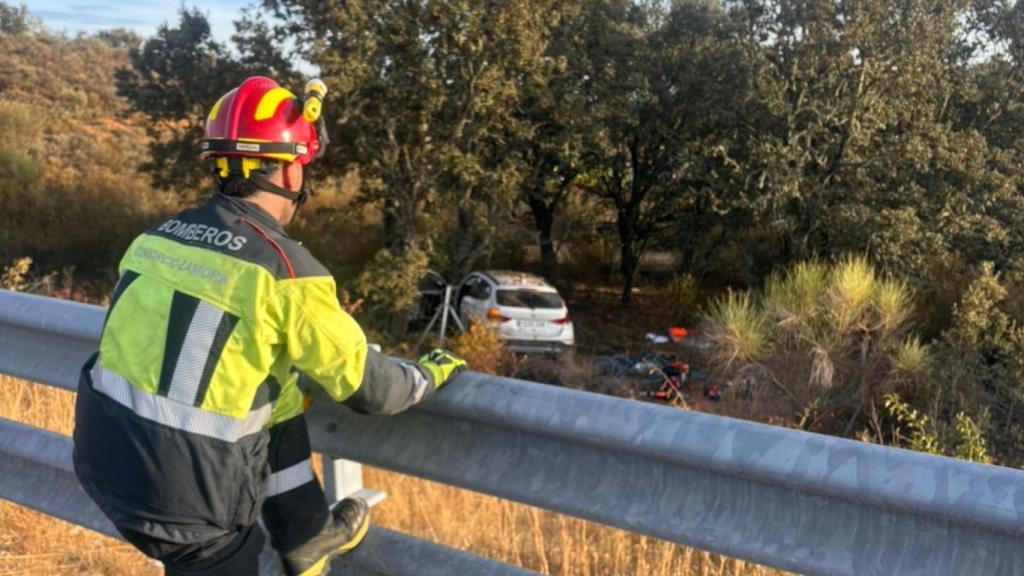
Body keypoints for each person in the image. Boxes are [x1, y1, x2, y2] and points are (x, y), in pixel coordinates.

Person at [72, 76, 467, 576]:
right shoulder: (286, 270)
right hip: (192, 508)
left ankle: (307, 534)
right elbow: (372, 391)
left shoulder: (155, 240)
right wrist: (429, 372)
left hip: (103, 462)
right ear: (285, 173)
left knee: (278, 395)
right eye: (302, 164)